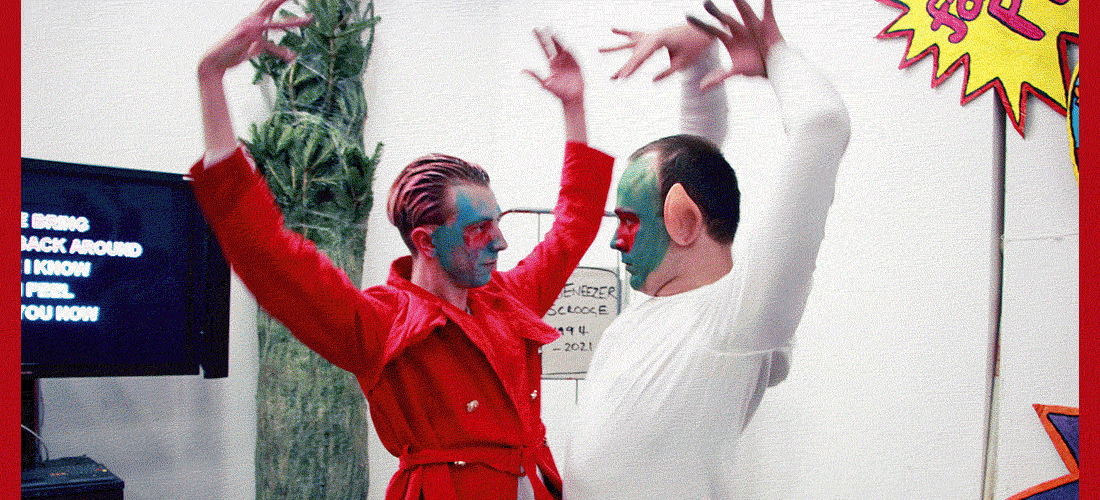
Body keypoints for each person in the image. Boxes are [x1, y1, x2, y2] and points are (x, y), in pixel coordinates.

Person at [189, 1, 613, 499]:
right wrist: (211, 80)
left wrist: (574, 108)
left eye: (497, 224)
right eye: (479, 229)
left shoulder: (508, 300)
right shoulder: (383, 324)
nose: (500, 241)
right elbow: (272, 259)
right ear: (426, 241)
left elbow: (572, 228)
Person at [561, 1, 851, 498]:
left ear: (685, 221)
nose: (615, 239)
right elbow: (693, 160)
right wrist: (700, 62)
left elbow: (822, 126)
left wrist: (774, 52)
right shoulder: (654, 309)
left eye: (628, 221)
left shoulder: (738, 318)